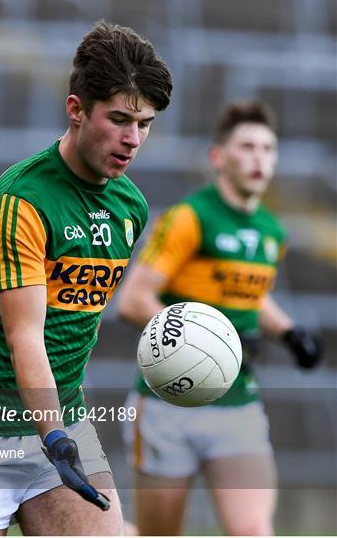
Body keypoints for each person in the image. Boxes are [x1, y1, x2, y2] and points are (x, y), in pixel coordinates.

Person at [0, 20, 172, 536]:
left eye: (144, 124)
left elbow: (77, 321)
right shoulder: (21, 202)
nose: (132, 139)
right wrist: (55, 438)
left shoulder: (130, 207)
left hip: (60, 418)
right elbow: (25, 333)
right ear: (75, 110)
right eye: (119, 119)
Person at [118, 100, 322, 536]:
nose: (258, 159)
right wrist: (205, 344)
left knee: (253, 531)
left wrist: (289, 333)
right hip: (168, 406)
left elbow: (251, 296)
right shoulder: (189, 218)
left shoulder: (272, 231)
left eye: (268, 149)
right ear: (218, 157)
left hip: (237, 404)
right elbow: (134, 302)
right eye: (246, 146)